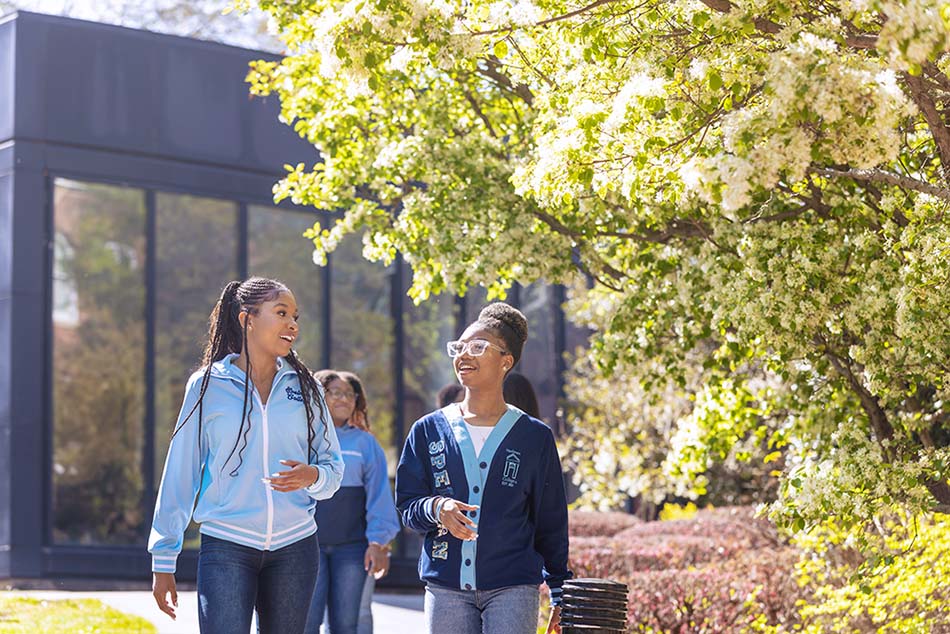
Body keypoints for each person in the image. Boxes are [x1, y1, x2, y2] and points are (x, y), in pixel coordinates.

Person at [149, 278, 345, 634]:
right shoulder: (208, 385)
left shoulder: (307, 387)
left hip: (295, 546)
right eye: (281, 313)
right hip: (226, 544)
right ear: (247, 319)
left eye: (296, 317)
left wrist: (312, 476)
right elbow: (181, 471)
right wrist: (164, 557)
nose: (293, 325)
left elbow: (333, 468)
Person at [395, 302, 571, 634]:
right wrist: (437, 507)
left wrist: (560, 593)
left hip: (513, 588)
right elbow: (407, 507)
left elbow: (551, 521)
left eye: (477, 347)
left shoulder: (534, 437)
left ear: (507, 361)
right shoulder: (427, 430)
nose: (464, 355)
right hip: (446, 587)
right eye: (458, 348)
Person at [306, 370, 401, 634]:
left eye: (349, 394)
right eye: (335, 392)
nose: (344, 399)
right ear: (319, 396)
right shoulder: (302, 438)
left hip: (352, 550)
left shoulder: (365, 443)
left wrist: (379, 542)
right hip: (307, 548)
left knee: (346, 625)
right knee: (305, 623)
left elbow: (379, 495)